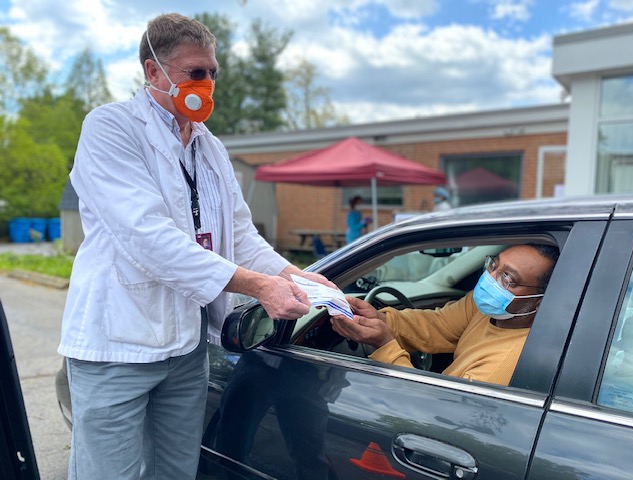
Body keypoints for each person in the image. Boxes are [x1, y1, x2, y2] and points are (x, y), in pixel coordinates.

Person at [58, 13, 333, 480]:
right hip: (118, 346)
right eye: (196, 73)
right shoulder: (110, 128)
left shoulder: (210, 148)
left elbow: (241, 235)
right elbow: (147, 236)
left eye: (213, 73)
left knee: (176, 472)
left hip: (185, 350)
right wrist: (257, 286)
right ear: (153, 72)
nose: (207, 84)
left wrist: (290, 274)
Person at [331, 244, 559, 386]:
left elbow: (437, 413)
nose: (490, 279)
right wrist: (381, 320)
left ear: (540, 303)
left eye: (508, 278)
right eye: (494, 266)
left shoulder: (506, 364)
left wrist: (384, 345)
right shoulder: (488, 309)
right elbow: (439, 325)